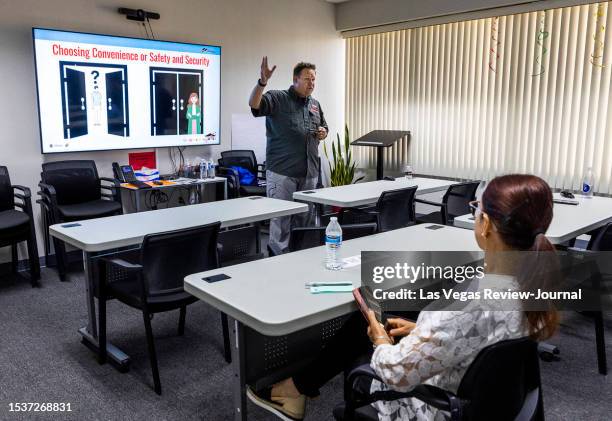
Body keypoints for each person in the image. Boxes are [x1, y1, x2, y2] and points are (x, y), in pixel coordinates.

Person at [246, 174, 560, 421]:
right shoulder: (533, 286)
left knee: (367, 325)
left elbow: (393, 372)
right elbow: (477, 337)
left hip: (431, 408)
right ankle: (297, 388)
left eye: (476, 210)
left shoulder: (467, 309)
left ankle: (294, 389)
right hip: (482, 397)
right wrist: (423, 333)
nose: (475, 215)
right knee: (381, 315)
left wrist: (381, 341)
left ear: (487, 226)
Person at [249, 57, 329, 255]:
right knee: (281, 219)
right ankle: (278, 261)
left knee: (305, 219)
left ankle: (301, 258)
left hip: (309, 172)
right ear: (295, 79)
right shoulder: (278, 98)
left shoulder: (315, 105)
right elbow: (254, 104)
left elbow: (324, 126)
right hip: (282, 173)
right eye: (308, 79)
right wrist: (262, 82)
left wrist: (323, 132)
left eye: (314, 79)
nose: (312, 83)